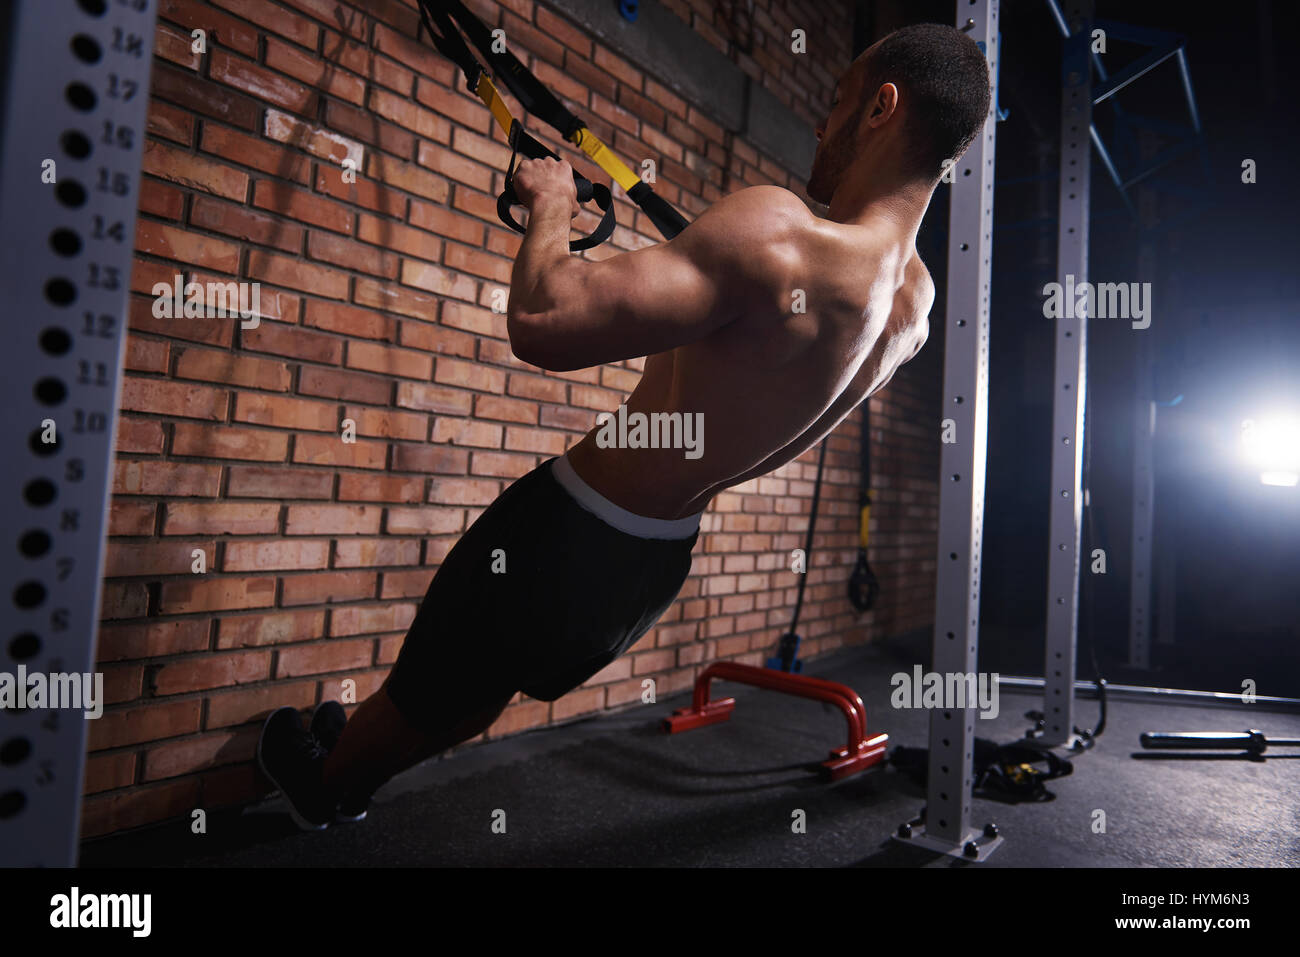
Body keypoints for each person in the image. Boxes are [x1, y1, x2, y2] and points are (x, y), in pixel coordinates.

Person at [257, 22, 992, 829]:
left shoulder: (780, 232)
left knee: (436, 678)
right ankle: (362, 747)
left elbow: (544, 318)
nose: (821, 123)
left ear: (883, 106)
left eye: (838, 100)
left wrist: (550, 208)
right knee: (482, 683)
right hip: (649, 566)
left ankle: (328, 787)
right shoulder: (914, 303)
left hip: (567, 532)